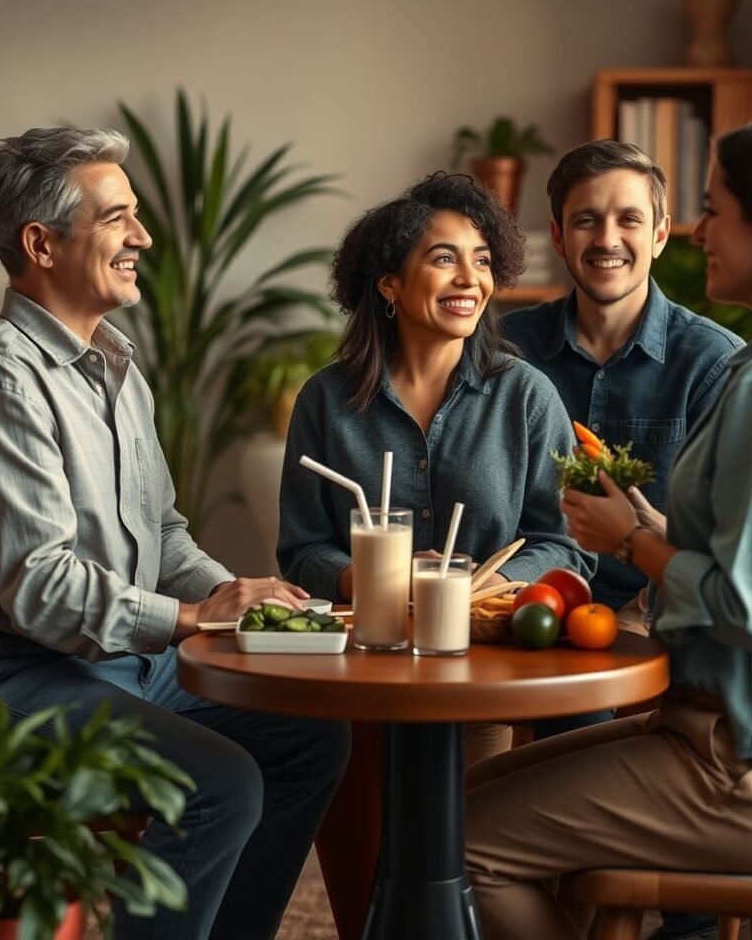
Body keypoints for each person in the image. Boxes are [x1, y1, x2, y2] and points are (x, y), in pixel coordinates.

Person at [464, 116, 752, 940]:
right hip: (745, 742)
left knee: (461, 848)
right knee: (466, 809)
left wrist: (632, 542)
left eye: (717, 211)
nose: (700, 230)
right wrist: (649, 522)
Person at [0, 128, 350, 940]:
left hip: (116, 664)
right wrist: (195, 618)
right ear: (40, 243)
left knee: (308, 740)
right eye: (117, 218)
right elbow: (41, 590)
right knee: (220, 783)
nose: (143, 238)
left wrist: (252, 603)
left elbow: (162, 536)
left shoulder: (116, 366)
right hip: (0, 677)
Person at [277, 171, 596, 940]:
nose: (471, 279)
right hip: (363, 665)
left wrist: (475, 586)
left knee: (467, 856)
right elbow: (301, 549)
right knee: (365, 880)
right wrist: (365, 578)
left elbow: (563, 544)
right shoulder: (327, 401)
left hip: (481, 666)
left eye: (483, 260)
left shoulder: (526, 396)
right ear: (388, 283)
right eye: (445, 259)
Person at [504, 140, 742, 940]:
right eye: (586, 220)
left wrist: (638, 547)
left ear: (663, 231)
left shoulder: (716, 365)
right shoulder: (509, 349)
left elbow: (721, 552)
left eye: (628, 218)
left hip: (663, 625)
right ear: (558, 233)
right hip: (526, 615)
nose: (608, 237)